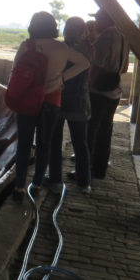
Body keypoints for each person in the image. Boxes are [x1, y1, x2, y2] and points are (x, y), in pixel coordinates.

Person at [12, 12, 89, 201]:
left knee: (23, 145)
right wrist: (63, 77)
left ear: (33, 26)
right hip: (52, 101)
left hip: (27, 101)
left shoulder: (26, 45)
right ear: (54, 27)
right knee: (44, 144)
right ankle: (37, 183)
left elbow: (15, 71)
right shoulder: (62, 48)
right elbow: (85, 63)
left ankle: (19, 186)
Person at [46, 17, 94, 195]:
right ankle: (84, 183)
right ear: (83, 31)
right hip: (79, 101)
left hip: (58, 99)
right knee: (80, 143)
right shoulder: (88, 49)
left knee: (54, 141)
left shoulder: (61, 48)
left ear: (66, 30)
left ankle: (56, 180)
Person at [87, 8, 129, 179]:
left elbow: (95, 65)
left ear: (108, 20)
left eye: (98, 19)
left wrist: (87, 84)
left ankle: (85, 168)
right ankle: (99, 169)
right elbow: (125, 68)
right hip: (114, 91)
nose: (96, 22)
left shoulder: (106, 36)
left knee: (90, 130)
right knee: (105, 130)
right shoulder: (124, 37)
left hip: (98, 92)